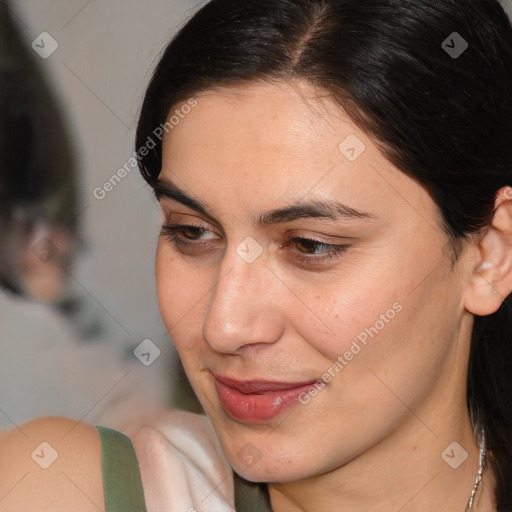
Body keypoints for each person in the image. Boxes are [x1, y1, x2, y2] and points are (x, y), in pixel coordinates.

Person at [1, 0, 512, 510]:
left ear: (491, 254)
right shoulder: (59, 489)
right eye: (192, 232)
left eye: (311, 246)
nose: (223, 326)